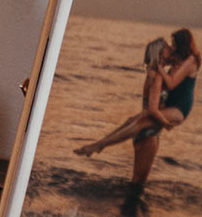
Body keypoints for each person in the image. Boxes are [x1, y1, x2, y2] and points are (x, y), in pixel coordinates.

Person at [76, 28, 200, 207]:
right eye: (168, 47)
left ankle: (99, 145)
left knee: (136, 182)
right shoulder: (157, 75)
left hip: (144, 130)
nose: (171, 49)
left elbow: (151, 105)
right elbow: (152, 108)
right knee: (137, 185)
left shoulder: (161, 72)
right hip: (149, 134)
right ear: (159, 54)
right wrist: (165, 123)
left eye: (173, 45)